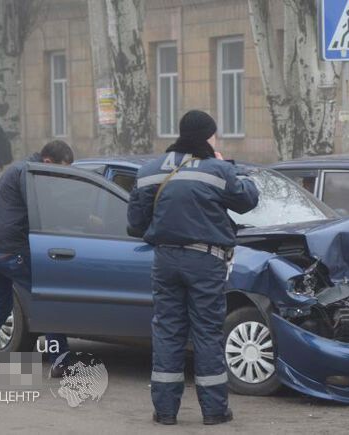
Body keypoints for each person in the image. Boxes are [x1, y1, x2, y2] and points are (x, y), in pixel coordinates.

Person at [127, 110, 259, 426]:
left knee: (168, 332)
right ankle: (214, 412)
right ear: (206, 137)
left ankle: (165, 412)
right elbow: (247, 200)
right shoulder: (216, 169)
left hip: (165, 261)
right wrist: (229, 165)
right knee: (207, 334)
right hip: (206, 262)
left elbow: (134, 225)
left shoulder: (148, 170)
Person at [0, 140, 73, 371]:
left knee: (0, 306)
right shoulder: (30, 174)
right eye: (61, 170)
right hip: (8, 252)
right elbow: (43, 210)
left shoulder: (19, 168)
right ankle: (60, 361)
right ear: (48, 162)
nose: (60, 177)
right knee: (49, 300)